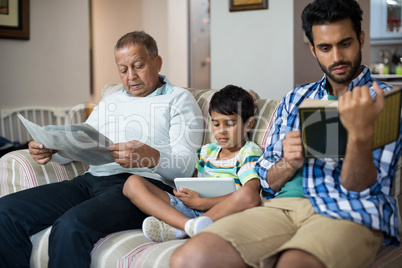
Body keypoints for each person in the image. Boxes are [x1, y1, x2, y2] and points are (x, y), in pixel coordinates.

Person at [170, 1, 402, 267]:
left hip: (348, 210)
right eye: (325, 47)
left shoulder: (383, 100)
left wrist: (359, 139)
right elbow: (267, 179)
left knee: (294, 263)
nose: (336, 57)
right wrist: (287, 163)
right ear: (314, 50)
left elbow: (362, 187)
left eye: (345, 43)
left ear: (361, 39)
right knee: (189, 258)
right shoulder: (295, 98)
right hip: (280, 208)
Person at [0, 31, 203, 268]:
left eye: (138, 66)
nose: (131, 77)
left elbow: (187, 167)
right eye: (123, 69)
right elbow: (83, 141)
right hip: (92, 180)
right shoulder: (111, 101)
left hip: (142, 189)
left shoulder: (179, 100)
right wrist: (53, 148)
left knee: (69, 227)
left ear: (156, 62)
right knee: (5, 212)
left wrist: (152, 158)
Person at [122, 85, 262, 242]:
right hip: (191, 210)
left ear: (249, 125)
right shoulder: (206, 151)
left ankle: (182, 228)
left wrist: (203, 203)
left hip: (224, 213)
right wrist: (185, 194)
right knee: (132, 183)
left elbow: (251, 192)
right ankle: (188, 226)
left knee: (248, 195)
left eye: (229, 124)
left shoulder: (248, 152)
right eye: (216, 124)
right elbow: (194, 180)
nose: (221, 131)